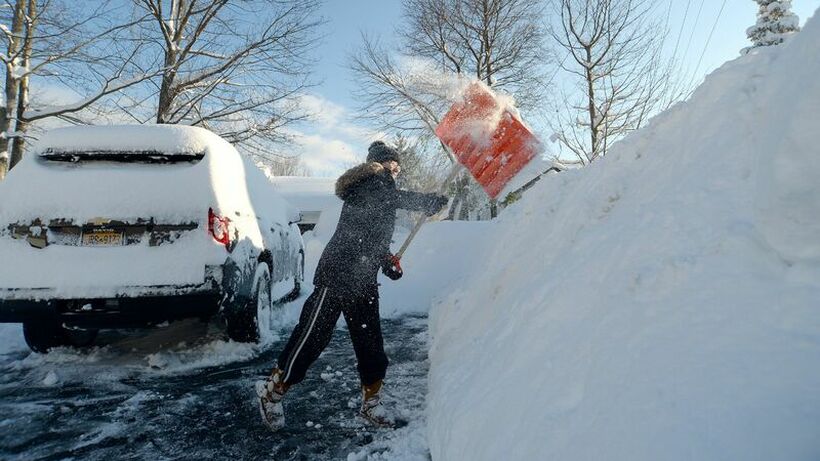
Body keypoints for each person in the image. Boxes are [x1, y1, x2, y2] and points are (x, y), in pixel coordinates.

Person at [256, 141, 449, 431]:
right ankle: (273, 391)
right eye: (391, 165)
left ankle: (371, 401)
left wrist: (385, 260)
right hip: (337, 275)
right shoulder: (366, 185)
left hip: (363, 278)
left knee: (371, 344)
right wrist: (425, 201)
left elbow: (370, 235)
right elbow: (384, 197)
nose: (395, 171)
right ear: (378, 164)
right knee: (312, 337)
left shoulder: (383, 192)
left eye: (398, 168)